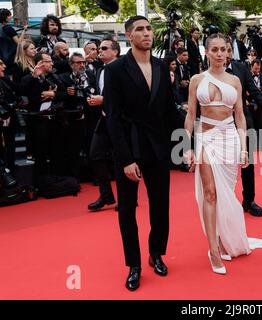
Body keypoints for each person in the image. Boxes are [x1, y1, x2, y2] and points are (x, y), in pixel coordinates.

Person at [104, 16, 180, 290]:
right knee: (127, 210)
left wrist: (186, 144)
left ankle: (156, 253)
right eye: (140, 29)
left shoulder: (161, 66)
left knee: (161, 205)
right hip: (129, 146)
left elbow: (170, 110)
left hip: (158, 146)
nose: (146, 33)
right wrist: (125, 159)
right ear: (128, 36)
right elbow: (112, 117)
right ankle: (133, 264)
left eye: (148, 28)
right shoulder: (115, 70)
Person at [184, 33, 262, 275]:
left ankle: (222, 239)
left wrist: (243, 147)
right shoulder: (196, 79)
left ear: (229, 52)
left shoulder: (235, 81)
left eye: (224, 49)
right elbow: (191, 114)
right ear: (207, 52)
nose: (220, 54)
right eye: (215, 50)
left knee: (226, 194)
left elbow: (239, 116)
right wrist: (187, 145)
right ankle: (213, 249)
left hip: (230, 139)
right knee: (210, 193)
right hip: (206, 139)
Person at [224, 37, 262, 217]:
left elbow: (254, 91)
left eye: (228, 50)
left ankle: (249, 200)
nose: (225, 54)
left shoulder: (240, 68)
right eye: (221, 50)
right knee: (225, 164)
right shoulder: (208, 72)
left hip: (243, 122)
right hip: (221, 124)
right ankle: (225, 202)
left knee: (247, 163)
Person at [87, 38, 120, 211]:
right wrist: (96, 100)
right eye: (99, 48)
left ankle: (127, 198)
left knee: (121, 159)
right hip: (104, 118)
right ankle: (106, 196)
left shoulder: (123, 70)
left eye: (105, 48)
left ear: (115, 51)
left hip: (121, 121)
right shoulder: (100, 70)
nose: (100, 51)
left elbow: (127, 97)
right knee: (95, 154)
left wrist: (104, 100)